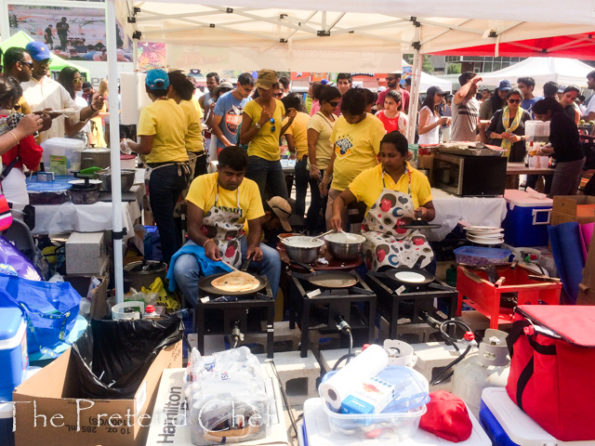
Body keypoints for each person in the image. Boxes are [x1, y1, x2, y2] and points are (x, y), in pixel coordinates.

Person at [172, 145, 281, 304]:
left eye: (239, 175)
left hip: (237, 241)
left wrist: (253, 246)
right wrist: (207, 242)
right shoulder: (201, 183)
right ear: (218, 169)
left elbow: (256, 227)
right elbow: (193, 228)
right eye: (229, 174)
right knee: (182, 269)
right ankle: (208, 310)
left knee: (273, 258)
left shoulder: (251, 187)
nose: (234, 180)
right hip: (203, 241)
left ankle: (261, 311)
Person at [330, 131, 434, 271]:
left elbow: (432, 212)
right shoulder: (369, 176)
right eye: (383, 155)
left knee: (427, 258)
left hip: (407, 236)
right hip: (377, 236)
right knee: (384, 255)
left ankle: (417, 291)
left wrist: (425, 212)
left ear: (405, 155)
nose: (386, 160)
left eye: (391, 156)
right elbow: (340, 198)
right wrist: (336, 214)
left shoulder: (418, 178)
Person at [123, 69, 190, 265]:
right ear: (169, 87)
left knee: (165, 224)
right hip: (182, 171)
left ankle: (172, 271)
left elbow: (145, 147)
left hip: (163, 173)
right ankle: (179, 264)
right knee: (175, 222)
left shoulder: (150, 111)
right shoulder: (178, 108)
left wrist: (128, 144)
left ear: (146, 88)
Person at [321, 88, 386, 228]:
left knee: (358, 233)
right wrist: (326, 175)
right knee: (332, 226)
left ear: (363, 112)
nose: (348, 120)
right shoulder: (340, 122)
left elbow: (383, 158)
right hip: (338, 185)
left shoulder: (375, 125)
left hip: (363, 190)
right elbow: (336, 152)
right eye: (345, 115)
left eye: (352, 117)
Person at [21, 42, 102, 142]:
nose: (44, 64)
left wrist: (93, 107)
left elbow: (76, 113)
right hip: (30, 152)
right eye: (40, 60)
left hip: (56, 152)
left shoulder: (56, 87)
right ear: (28, 60)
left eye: (47, 60)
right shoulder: (20, 87)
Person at [240, 69, 291, 205]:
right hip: (257, 158)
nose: (262, 92)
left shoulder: (279, 105)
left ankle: (276, 225)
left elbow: (277, 134)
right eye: (260, 88)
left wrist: (290, 122)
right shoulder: (250, 106)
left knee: (283, 202)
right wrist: (260, 123)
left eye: (266, 88)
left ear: (274, 87)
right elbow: (243, 139)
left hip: (275, 158)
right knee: (257, 201)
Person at [0, 76, 44, 208]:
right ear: (10, 100)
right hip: (11, 185)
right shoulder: (19, 121)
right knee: (13, 226)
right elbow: (32, 160)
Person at [532, 98, 584, 196]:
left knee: (557, 196)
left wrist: (544, 151)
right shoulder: (562, 117)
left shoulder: (558, 121)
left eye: (540, 116)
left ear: (548, 112)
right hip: (576, 159)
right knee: (568, 195)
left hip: (568, 161)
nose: (539, 119)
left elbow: (562, 147)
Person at [307, 86, 340, 232]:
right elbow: (311, 144)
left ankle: (320, 232)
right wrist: (314, 167)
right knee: (318, 202)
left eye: (337, 104)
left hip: (332, 166)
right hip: (319, 166)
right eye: (333, 104)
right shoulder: (316, 120)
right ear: (323, 102)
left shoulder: (336, 118)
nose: (335, 107)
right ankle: (310, 231)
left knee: (327, 202)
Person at [168, 70, 207, 177]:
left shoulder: (181, 105)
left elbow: (176, 134)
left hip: (190, 156)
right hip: (197, 152)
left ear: (171, 88)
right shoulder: (191, 100)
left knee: (188, 192)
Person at [282, 93, 310, 219]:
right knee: (315, 196)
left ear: (290, 110)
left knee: (300, 194)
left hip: (302, 160)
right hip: (315, 159)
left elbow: (292, 147)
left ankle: (298, 222)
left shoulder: (288, 120)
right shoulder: (308, 117)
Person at [212, 72, 253, 153]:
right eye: (246, 89)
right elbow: (215, 125)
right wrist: (227, 144)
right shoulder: (223, 99)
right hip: (224, 148)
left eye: (251, 90)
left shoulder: (250, 101)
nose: (248, 93)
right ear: (238, 85)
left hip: (242, 149)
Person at [487, 89, 531, 162]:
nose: (514, 103)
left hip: (517, 154)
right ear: (507, 100)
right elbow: (488, 132)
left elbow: (530, 135)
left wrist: (519, 138)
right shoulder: (499, 113)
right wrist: (500, 136)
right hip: (498, 153)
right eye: (512, 101)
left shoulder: (525, 115)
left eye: (517, 101)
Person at [57, 67, 96, 145]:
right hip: (70, 143)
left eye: (81, 78)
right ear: (67, 82)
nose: (80, 82)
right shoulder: (65, 101)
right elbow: (70, 132)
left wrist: (91, 142)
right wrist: (89, 115)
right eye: (76, 80)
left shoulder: (81, 100)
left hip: (83, 140)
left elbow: (87, 129)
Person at [451, 72, 481, 142]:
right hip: (457, 144)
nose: (476, 86)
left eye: (477, 83)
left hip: (471, 144)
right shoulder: (457, 99)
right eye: (474, 84)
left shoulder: (476, 102)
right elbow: (460, 94)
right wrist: (471, 81)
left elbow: (476, 125)